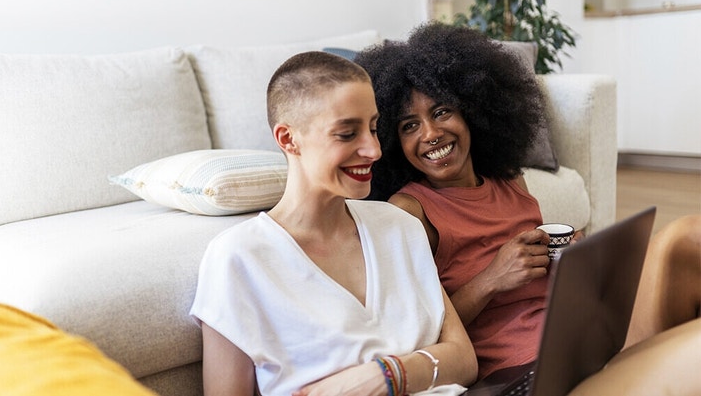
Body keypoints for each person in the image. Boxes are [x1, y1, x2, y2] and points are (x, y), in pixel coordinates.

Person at [353, 22, 701, 386]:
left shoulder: (510, 182)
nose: (430, 133)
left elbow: (540, 284)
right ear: (393, 140)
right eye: (409, 126)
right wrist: (492, 279)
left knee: (686, 241)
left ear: (471, 110)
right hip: (529, 373)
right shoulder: (411, 211)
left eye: (441, 112)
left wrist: (575, 264)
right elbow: (414, 334)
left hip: (585, 338)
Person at [189, 51, 478, 396]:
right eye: (346, 134)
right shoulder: (238, 258)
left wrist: (385, 375)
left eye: (373, 128)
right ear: (288, 139)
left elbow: (465, 361)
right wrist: (425, 364)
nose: (373, 150)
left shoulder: (400, 227)